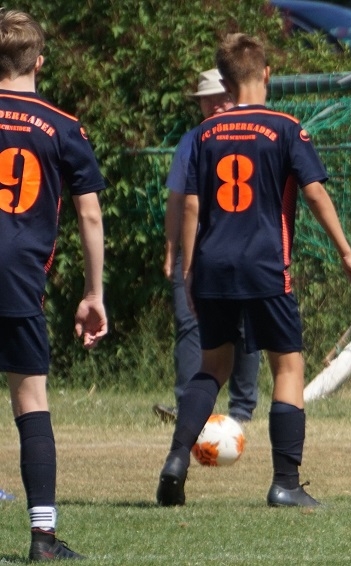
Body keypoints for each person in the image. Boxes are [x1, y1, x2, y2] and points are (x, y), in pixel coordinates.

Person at [156, 33, 351, 508]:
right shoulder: (285, 128)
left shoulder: (205, 134)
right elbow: (314, 192)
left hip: (212, 265)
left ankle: (176, 458)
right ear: (267, 73)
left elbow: (191, 205)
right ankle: (285, 484)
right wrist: (346, 253)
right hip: (265, 265)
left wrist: (189, 270)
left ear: (225, 81)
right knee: (288, 366)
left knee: (212, 366)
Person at [0, 8, 107, 560]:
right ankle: (43, 538)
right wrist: (94, 294)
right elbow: (89, 215)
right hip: (19, 274)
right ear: (39, 61)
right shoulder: (63, 126)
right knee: (30, 398)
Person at [154, 68, 261, 425]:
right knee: (189, 322)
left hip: (243, 247)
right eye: (207, 100)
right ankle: (188, 403)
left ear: (234, 95)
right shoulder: (192, 141)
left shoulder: (255, 137)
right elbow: (178, 201)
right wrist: (172, 249)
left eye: (221, 98)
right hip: (196, 248)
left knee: (245, 326)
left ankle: (241, 409)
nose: (214, 105)